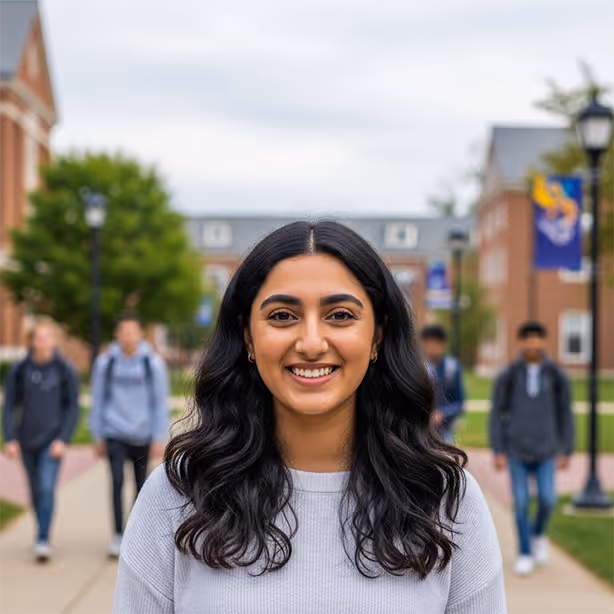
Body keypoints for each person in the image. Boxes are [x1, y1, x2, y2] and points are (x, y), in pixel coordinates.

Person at [113, 222, 506, 613]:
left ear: (378, 336)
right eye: (283, 316)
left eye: (340, 315)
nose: (312, 343)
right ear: (248, 336)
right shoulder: (177, 494)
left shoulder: (446, 501)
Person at [489, 320, 574, 577]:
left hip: (547, 450)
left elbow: (564, 413)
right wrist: (499, 450)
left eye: (537, 338)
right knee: (522, 503)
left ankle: (537, 535)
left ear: (543, 341)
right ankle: (525, 553)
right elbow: (496, 413)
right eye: (528, 338)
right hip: (516, 451)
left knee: (548, 500)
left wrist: (566, 449)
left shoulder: (556, 376)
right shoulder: (509, 375)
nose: (532, 343)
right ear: (522, 342)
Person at [89, 312, 170, 558]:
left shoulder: (152, 363)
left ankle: (136, 534)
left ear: (140, 334)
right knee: (115, 482)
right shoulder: (106, 363)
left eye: (132, 331)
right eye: (123, 331)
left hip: (142, 434)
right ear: (117, 334)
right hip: (114, 432)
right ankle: (117, 535)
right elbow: (98, 400)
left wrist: (159, 436)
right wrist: (97, 435)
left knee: (141, 486)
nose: (127, 336)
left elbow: (160, 402)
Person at [2, 317, 80, 562]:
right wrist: (10, 438)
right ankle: (41, 530)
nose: (43, 342)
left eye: (47, 337)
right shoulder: (21, 369)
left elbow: (72, 407)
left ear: (54, 340)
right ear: (32, 341)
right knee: (36, 490)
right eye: (38, 338)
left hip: (52, 443)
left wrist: (63, 439)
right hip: (26, 441)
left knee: (46, 487)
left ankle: (43, 538)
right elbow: (8, 407)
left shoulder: (64, 370)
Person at [420, 324, 466, 444]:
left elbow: (460, 403)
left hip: (445, 431)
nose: (432, 347)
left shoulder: (452, 368)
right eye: (429, 343)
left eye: (436, 343)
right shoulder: (418, 368)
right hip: (421, 430)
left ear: (442, 344)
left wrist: (443, 414)